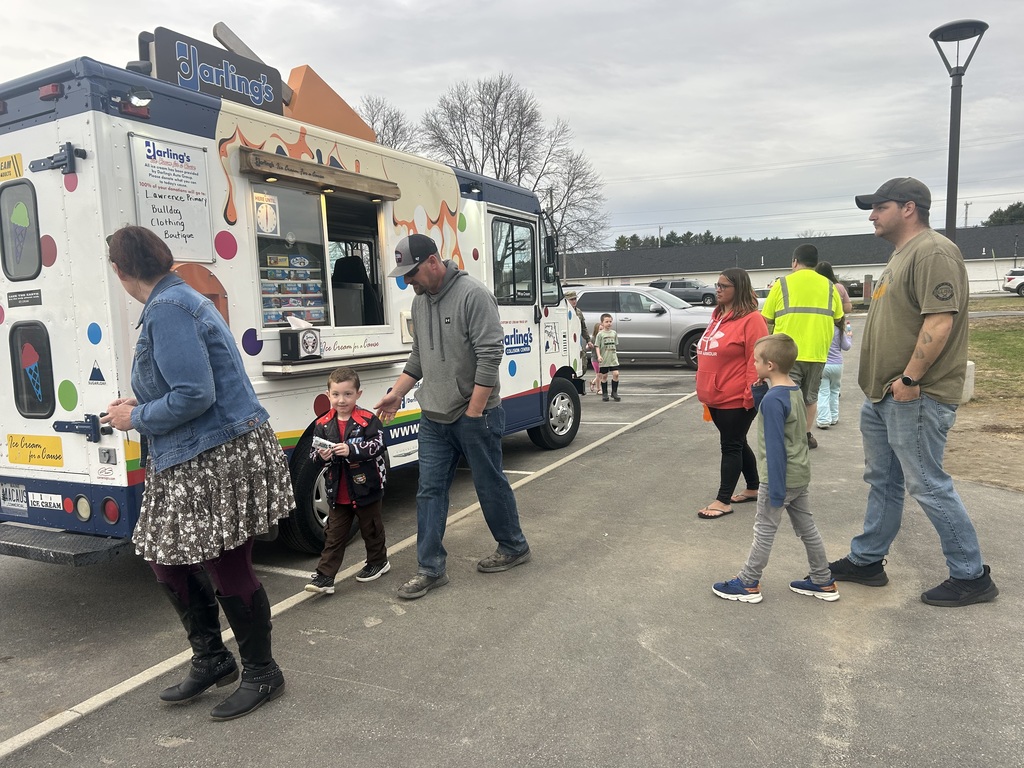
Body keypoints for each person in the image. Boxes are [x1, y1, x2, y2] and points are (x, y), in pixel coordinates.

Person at [100, 225, 294, 720]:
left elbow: (194, 395)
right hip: (198, 453)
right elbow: (187, 383)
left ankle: (262, 672)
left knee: (227, 564)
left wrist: (136, 418)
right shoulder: (178, 298)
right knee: (164, 556)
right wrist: (141, 402)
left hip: (214, 454)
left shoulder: (168, 308)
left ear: (120, 271)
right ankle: (212, 658)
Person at [828, 177, 999, 607]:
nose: (872, 216)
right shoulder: (901, 255)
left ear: (908, 208)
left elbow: (939, 321)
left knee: (928, 484)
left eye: (879, 207)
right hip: (883, 396)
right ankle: (867, 561)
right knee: (883, 482)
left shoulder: (933, 251)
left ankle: (971, 576)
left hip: (914, 395)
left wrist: (909, 380)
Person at [374, 234, 531, 600]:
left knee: (489, 484)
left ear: (433, 262)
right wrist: (397, 393)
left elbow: (490, 354)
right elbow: (418, 356)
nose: (407, 281)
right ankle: (430, 569)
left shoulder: (473, 295)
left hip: (475, 415)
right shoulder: (420, 302)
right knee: (429, 491)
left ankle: (514, 545)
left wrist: (475, 411)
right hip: (434, 417)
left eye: (411, 273)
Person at [712, 334, 839, 604]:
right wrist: (760, 392)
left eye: (756, 361)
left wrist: (776, 490)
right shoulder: (793, 391)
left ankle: (748, 582)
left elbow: (775, 447)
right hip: (799, 474)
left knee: (764, 530)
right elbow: (779, 420)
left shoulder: (773, 400)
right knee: (807, 528)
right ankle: (822, 579)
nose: (753, 364)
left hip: (778, 477)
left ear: (769, 365)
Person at [305, 366, 389, 595]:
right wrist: (321, 456)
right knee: (333, 535)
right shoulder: (322, 424)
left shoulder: (368, 420)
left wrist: (352, 450)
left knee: (371, 528)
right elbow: (312, 455)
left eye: (347, 394)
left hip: (366, 487)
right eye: (336, 394)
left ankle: (378, 561)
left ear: (358, 394)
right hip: (337, 490)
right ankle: (325, 577)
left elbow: (378, 445)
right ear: (328, 394)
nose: (341, 400)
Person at [695, 268, 768, 519]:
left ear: (739, 288)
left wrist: (751, 394)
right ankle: (754, 487)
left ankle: (723, 500)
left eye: (724, 286)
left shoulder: (752, 320)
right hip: (714, 395)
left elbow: (756, 359)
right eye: (717, 285)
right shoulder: (717, 315)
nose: (718, 289)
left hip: (736, 397)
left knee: (731, 445)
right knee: (737, 441)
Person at [761, 244, 845, 449]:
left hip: (786, 353)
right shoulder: (829, 286)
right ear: (815, 263)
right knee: (810, 398)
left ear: (795, 262)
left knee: (786, 396)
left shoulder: (782, 284)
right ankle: (805, 436)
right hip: (818, 352)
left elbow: (767, 318)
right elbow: (838, 317)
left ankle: (786, 437)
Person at [813, 262, 854, 429]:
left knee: (822, 392)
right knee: (834, 392)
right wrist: (849, 336)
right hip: (838, 365)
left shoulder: (820, 328)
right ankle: (834, 417)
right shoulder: (839, 329)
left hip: (823, 363)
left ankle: (823, 419)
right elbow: (846, 347)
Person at [565, 290, 593, 389]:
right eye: (571, 299)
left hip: (577, 342)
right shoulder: (562, 312)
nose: (574, 301)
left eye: (575, 299)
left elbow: (583, 327)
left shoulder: (578, 312)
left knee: (583, 365)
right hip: (566, 343)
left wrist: (588, 340)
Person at [594, 313, 621, 401]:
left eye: (610, 321)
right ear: (602, 323)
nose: (609, 323)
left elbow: (615, 345)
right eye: (606, 322)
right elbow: (597, 346)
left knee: (616, 374)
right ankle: (605, 393)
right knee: (604, 376)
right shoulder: (600, 334)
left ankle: (614, 392)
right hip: (604, 358)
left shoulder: (614, 333)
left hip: (613, 358)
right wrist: (599, 356)